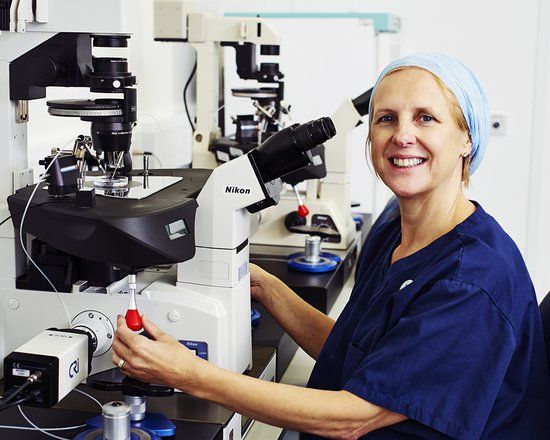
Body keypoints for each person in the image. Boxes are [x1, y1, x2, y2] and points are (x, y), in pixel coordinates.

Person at [112, 53, 550, 439]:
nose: (402, 135)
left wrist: (190, 374)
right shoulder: (396, 229)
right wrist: (263, 285)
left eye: (425, 118)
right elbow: (356, 353)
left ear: (467, 139)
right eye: (386, 118)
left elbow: (354, 418)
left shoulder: (470, 282)